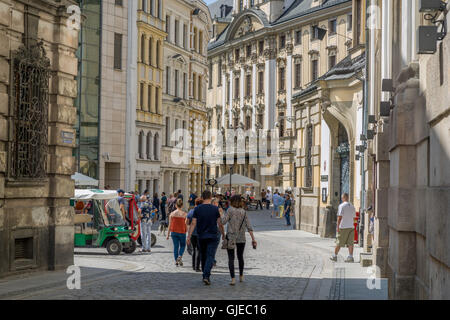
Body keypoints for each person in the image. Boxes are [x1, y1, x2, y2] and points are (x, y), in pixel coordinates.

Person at [187, 190, 225, 285]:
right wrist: (223, 234)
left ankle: (205, 274)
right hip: (212, 235)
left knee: (203, 255)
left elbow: (193, 223)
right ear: (210, 197)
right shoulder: (215, 209)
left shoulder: (197, 209)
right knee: (210, 256)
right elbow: (220, 223)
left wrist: (189, 236)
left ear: (202, 197)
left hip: (201, 235)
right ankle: (206, 275)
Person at [221, 195, 257, 285]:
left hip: (231, 236)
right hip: (241, 237)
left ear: (232, 201)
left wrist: (221, 213)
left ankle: (233, 279)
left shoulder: (230, 210)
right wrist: (253, 239)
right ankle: (241, 276)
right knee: (240, 257)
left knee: (231, 258)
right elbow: (249, 226)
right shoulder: (243, 212)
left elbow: (223, 221)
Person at [330, 193, 356, 263]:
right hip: (351, 226)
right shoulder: (352, 206)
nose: (341, 199)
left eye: (342, 198)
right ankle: (350, 257)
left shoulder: (341, 206)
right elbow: (354, 217)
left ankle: (334, 256)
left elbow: (339, 218)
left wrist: (337, 227)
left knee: (339, 242)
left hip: (343, 227)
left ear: (344, 198)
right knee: (350, 243)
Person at [167, 198, 188, 266]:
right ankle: (180, 256)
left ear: (176, 205)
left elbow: (169, 225)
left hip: (174, 232)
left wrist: (167, 234)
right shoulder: (185, 214)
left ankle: (176, 260)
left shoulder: (172, 214)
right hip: (182, 231)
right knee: (183, 245)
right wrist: (187, 230)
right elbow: (186, 224)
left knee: (176, 246)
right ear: (182, 206)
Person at [187, 198, 203, 272]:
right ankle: (197, 266)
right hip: (200, 233)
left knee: (194, 249)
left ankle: (193, 265)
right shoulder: (202, 211)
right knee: (199, 250)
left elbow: (187, 222)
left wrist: (188, 231)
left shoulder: (191, 211)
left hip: (192, 233)